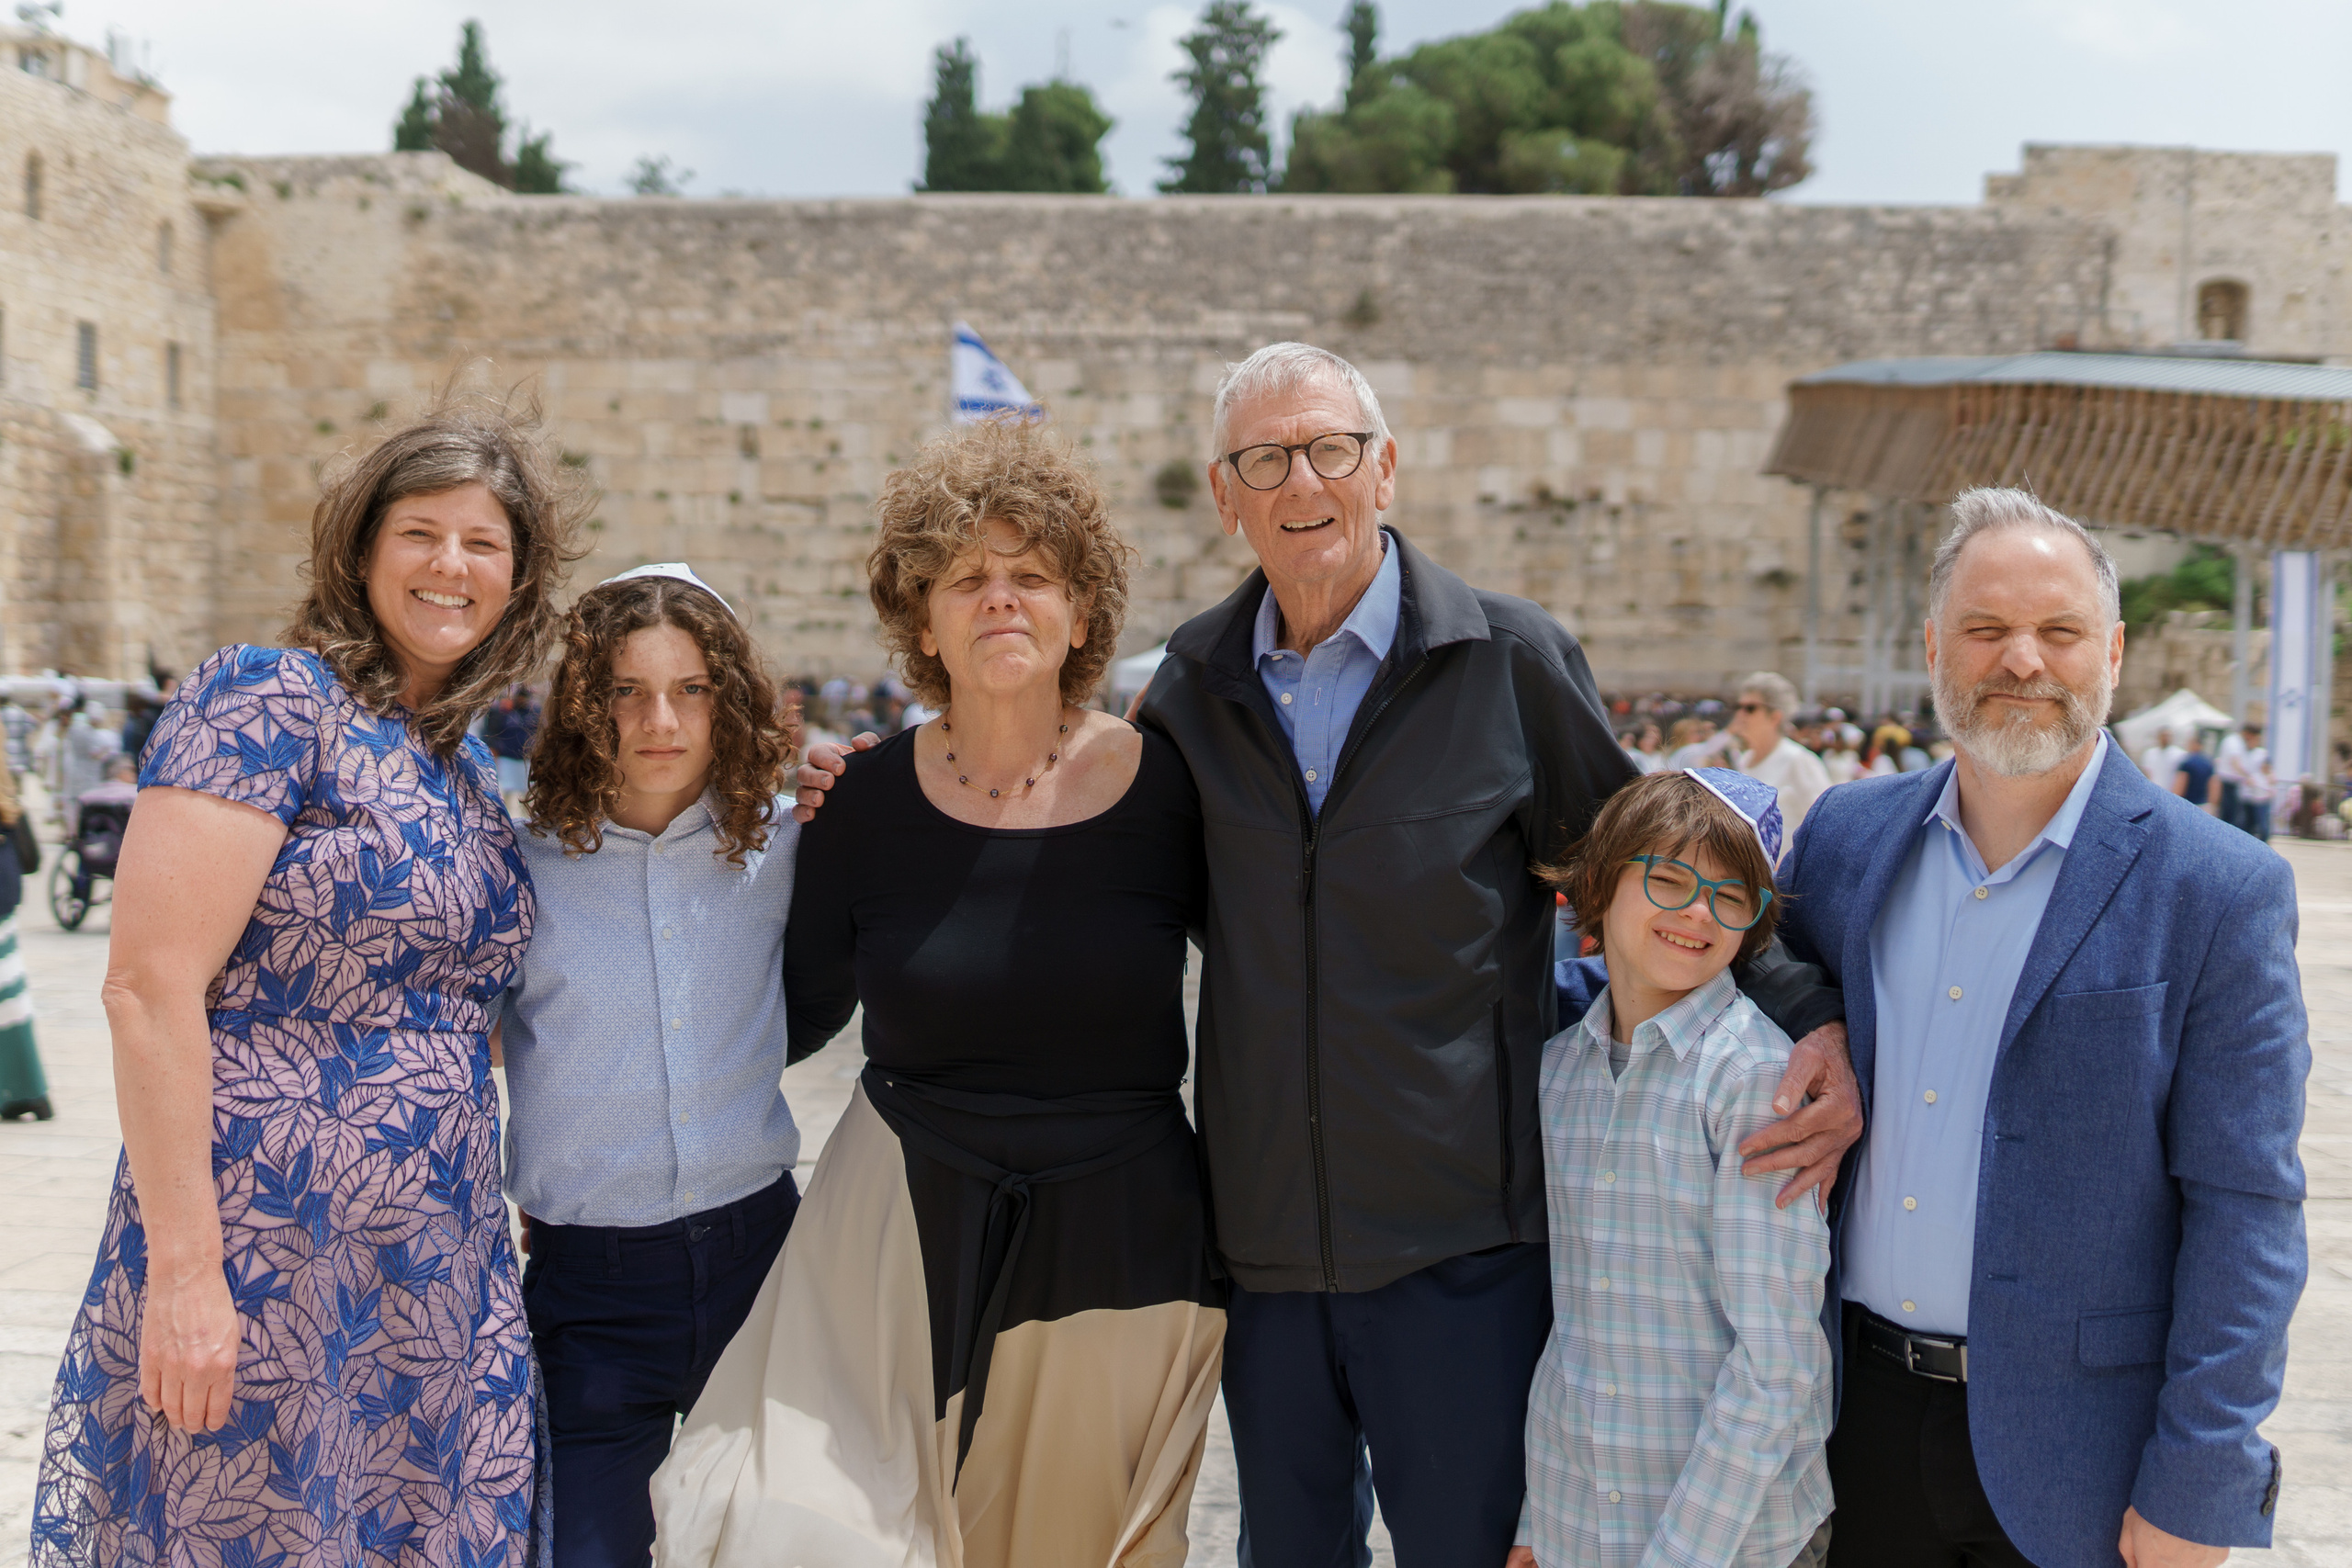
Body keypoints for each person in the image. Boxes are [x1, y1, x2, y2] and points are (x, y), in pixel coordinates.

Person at [797, 344, 1860, 1564]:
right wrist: (887, 786)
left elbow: (1656, 863)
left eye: (1330, 448)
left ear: (1384, 468)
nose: (1302, 477)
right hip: (1266, 1257)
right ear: (1226, 493)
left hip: (1462, 1251)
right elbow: (1067, 840)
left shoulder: (1507, 661)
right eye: (1267, 456)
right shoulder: (1194, 679)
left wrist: (1807, 1007)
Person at [652, 421, 1223, 1567]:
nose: (1000, 599)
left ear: (1080, 612)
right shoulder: (860, 803)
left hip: (1119, 1240)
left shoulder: (1174, 790)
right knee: (788, 1523)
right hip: (894, 1219)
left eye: (1032, 577)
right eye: (967, 578)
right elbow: (786, 1014)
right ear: (922, 619)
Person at [31, 402, 588, 1568]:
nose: (451, 565)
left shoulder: (466, 770)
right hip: (261, 1253)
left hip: (435, 1274)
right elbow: (146, 985)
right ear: (361, 549)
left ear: (519, 579)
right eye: (420, 534)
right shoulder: (270, 700)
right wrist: (187, 1277)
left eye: (484, 544)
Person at [1776, 488, 2306, 1568]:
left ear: (2110, 650)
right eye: (1985, 630)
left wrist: (2199, 1483)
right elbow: (1770, 969)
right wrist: (1817, 1024)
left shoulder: (2217, 889)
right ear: (1934, 647)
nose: (2022, 660)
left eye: (2057, 631)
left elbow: (2245, 1209)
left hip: (2083, 1461)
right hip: (1846, 1426)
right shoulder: (1843, 838)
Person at [499, 564, 802, 1568]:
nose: (658, 720)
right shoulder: (517, 865)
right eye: (627, 690)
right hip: (590, 1290)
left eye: (690, 690)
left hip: (761, 1265)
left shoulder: (788, 840)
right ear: (587, 706)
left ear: (731, 701)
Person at [1513, 769, 1832, 1568]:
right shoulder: (1559, 1072)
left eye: (1731, 897)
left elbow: (1776, 1367)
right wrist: (1533, 1525)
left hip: (1729, 1537)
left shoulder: (1755, 1082)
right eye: (1667, 877)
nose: (1698, 910)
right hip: (1573, 1519)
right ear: (1600, 880)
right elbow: (1577, 1326)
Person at [1719, 671, 1833, 848]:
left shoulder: (1798, 759)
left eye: (1750, 708)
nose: (1740, 715)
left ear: (1775, 717)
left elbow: (1826, 825)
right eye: (1738, 707)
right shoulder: (1744, 760)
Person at [0, 761, 51, 1121]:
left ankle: (27, 1090)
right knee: (9, 992)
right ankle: (26, 1089)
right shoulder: (6, 774)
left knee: (8, 993)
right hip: (5, 890)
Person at [2238, 721, 2275, 840]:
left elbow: (2268, 771)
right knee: (2246, 825)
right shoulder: (2243, 753)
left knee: (2262, 826)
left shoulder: (2261, 754)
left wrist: (2270, 781)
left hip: (2260, 795)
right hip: (2247, 795)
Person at [2174, 729, 2218, 814]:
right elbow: (2214, 786)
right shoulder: (2209, 763)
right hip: (2204, 805)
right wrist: (2213, 805)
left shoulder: (2187, 763)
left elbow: (2180, 785)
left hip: (2188, 803)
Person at [2138, 725, 2184, 793]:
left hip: (2171, 791)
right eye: (2163, 736)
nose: (2165, 738)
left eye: (2168, 736)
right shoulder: (2150, 753)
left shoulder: (2180, 754)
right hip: (2154, 790)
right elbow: (2146, 772)